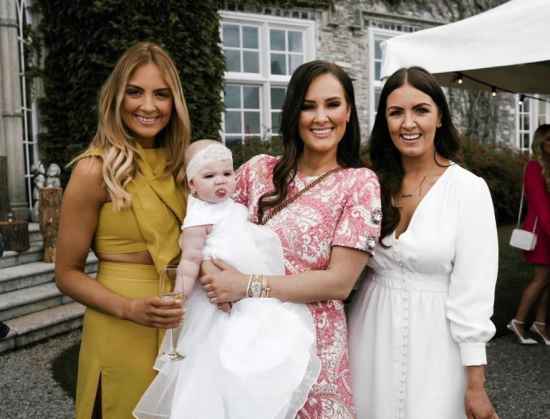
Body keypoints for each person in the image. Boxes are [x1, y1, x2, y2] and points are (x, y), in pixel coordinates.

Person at [198, 61, 381, 418]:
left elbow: (339, 282)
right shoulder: (257, 171)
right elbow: (205, 226)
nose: (320, 117)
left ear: (348, 114)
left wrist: (244, 285)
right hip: (241, 339)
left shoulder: (359, 184)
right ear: (293, 112)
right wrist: (209, 271)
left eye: (332, 104)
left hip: (314, 346)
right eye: (308, 106)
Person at [348, 66, 499, 419]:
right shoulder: (369, 183)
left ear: (440, 117)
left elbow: (473, 293)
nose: (408, 123)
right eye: (396, 112)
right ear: (385, 120)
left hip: (438, 341)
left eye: (420, 110)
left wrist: (475, 385)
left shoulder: (468, 190)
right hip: (369, 333)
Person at [134, 139, 320, 419]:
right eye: (209, 176)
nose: (220, 182)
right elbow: (189, 261)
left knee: (261, 337)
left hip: (248, 285)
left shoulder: (233, 205)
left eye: (227, 174)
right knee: (221, 355)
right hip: (217, 299)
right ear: (192, 184)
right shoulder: (198, 217)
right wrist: (180, 295)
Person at [55, 42, 190, 419]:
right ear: (116, 97)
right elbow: (66, 274)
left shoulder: (184, 167)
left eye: (161, 94)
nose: (148, 106)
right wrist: (129, 308)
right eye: (135, 91)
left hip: (181, 325)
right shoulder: (93, 171)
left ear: (174, 102)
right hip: (119, 326)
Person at [508, 124, 550, 345]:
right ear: (540, 143)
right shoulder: (534, 167)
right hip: (541, 231)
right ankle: (518, 321)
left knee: (547, 280)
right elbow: (541, 205)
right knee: (541, 278)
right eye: (549, 140)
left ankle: (540, 324)